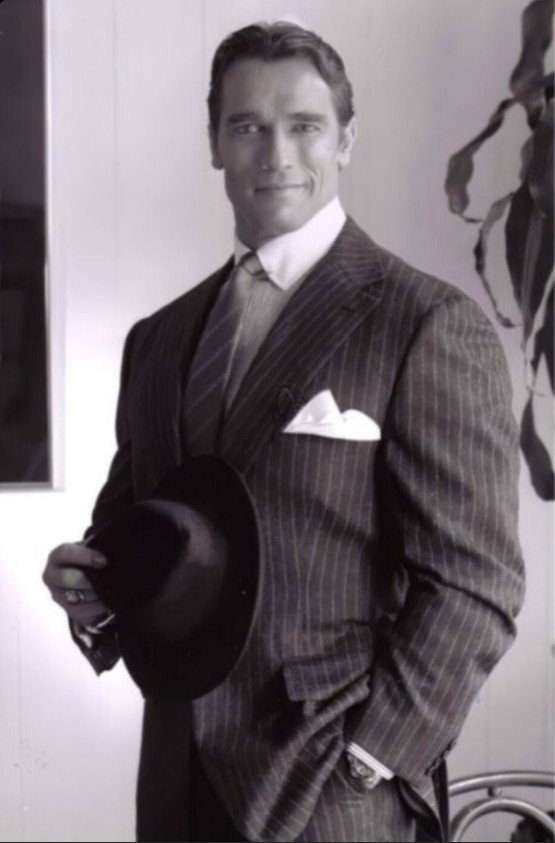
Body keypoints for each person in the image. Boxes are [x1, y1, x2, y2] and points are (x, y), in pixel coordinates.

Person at [43, 21, 525, 843]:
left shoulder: (423, 321)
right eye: (246, 126)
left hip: (333, 793)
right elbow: (138, 531)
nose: (275, 154)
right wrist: (90, 591)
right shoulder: (156, 339)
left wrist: (373, 755)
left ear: (345, 141)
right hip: (174, 782)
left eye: (303, 125)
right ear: (214, 144)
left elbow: (475, 581)